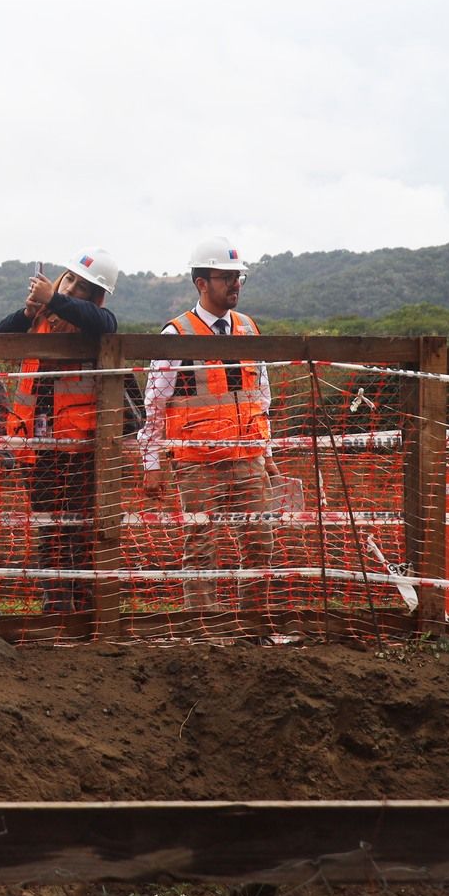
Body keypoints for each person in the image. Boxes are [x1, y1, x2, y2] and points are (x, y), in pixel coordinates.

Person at [138, 236, 275, 621]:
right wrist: (152, 463)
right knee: (201, 546)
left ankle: (254, 626)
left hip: (248, 458)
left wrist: (268, 454)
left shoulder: (248, 329)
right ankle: (204, 629)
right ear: (201, 283)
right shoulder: (176, 335)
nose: (235, 284)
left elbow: (261, 397)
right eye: (226, 277)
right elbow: (154, 404)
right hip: (197, 461)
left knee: (260, 544)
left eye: (238, 277)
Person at [0, 250, 121, 616]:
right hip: (38, 448)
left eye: (81, 287)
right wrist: (27, 312)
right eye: (69, 279)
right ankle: (56, 608)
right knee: (49, 530)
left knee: (81, 531)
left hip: (80, 449)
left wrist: (54, 299)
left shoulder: (93, 324)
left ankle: (84, 610)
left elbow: (106, 322)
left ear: (96, 296)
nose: (70, 288)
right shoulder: (38, 320)